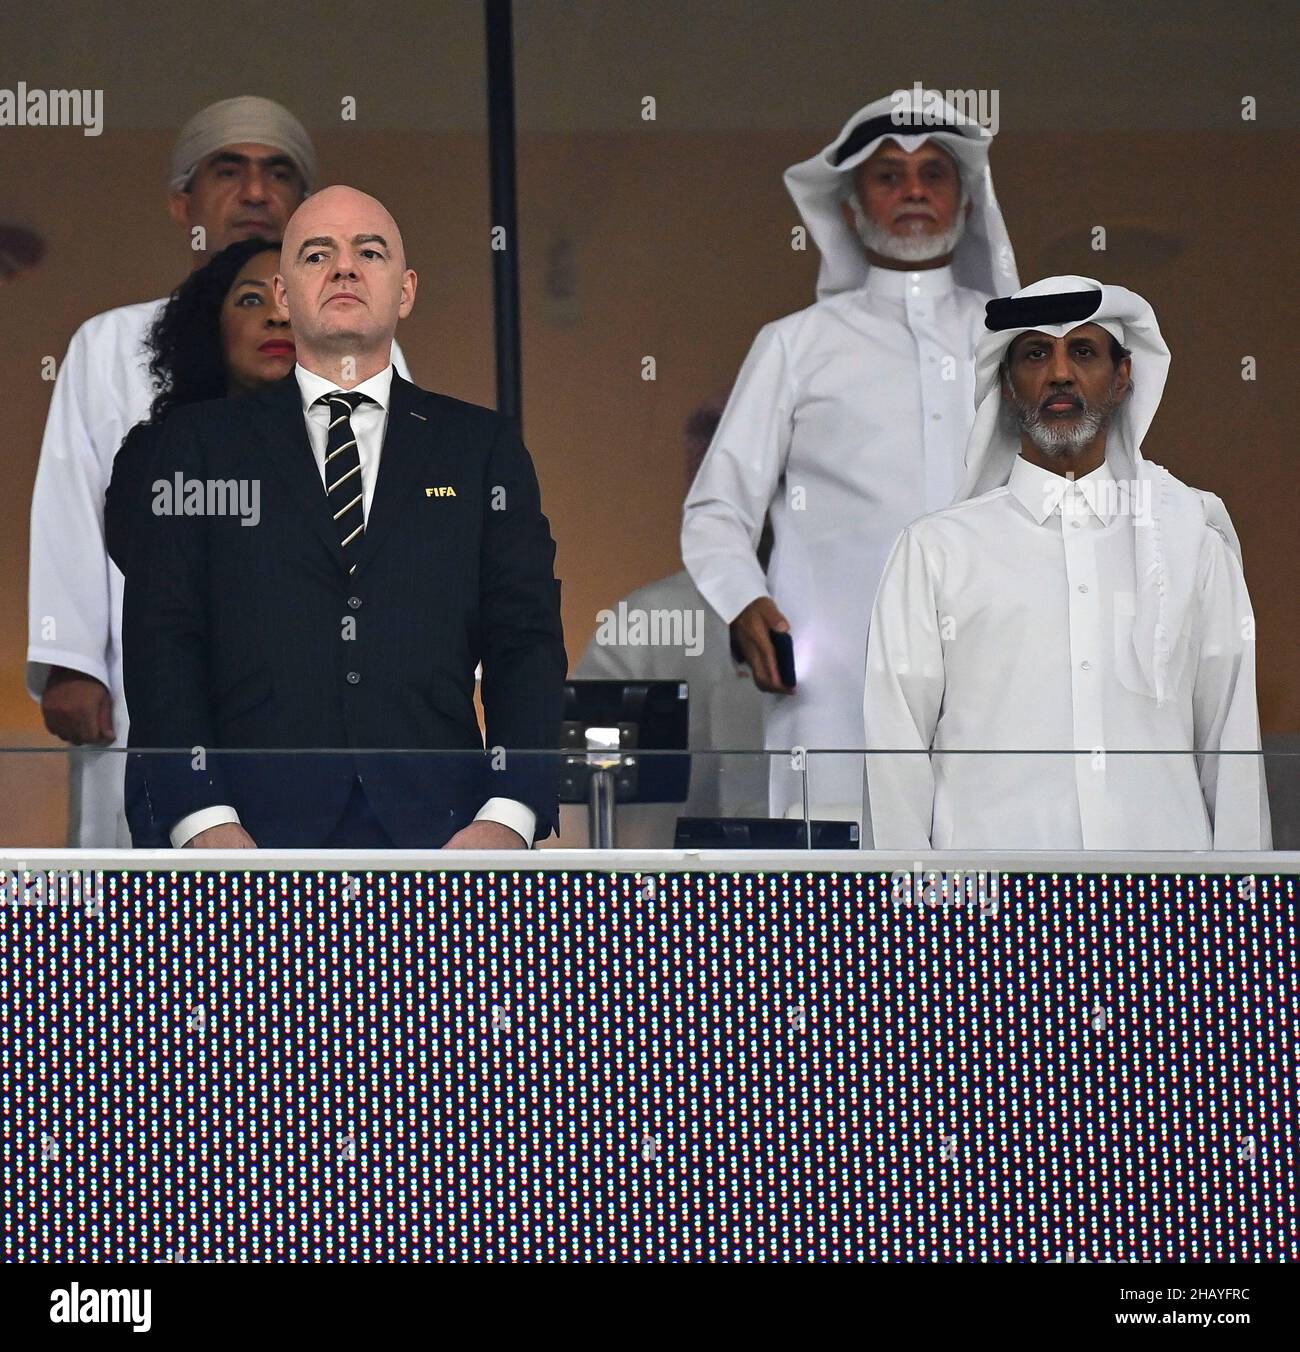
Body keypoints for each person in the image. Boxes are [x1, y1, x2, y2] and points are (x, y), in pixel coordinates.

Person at [123, 186, 566, 849]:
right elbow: (164, 636)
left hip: (447, 840)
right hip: (246, 841)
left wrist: (510, 815)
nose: (345, 268)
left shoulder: (480, 448)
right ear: (282, 294)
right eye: (317, 254)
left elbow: (525, 641)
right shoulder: (198, 445)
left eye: (370, 251)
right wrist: (202, 819)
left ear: (407, 290)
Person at [26, 94, 410, 845]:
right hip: (151, 693)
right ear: (183, 203)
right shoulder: (111, 343)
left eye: (279, 175)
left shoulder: (366, 349)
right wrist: (72, 658)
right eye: (228, 171)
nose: (258, 194)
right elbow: (74, 501)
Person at [681, 88, 1018, 825]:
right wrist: (745, 602)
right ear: (852, 206)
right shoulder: (794, 344)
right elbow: (716, 509)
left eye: (935, 174)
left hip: (1003, 665)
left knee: (999, 881)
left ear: (966, 202)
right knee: (838, 892)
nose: (914, 192)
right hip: (835, 683)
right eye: (888, 176)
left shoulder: (1015, 344)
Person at [863, 275, 1271, 850]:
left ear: (1123, 376)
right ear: (1007, 384)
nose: (1059, 373)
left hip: (1165, 910)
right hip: (986, 911)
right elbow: (895, 750)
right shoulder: (935, 552)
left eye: (1083, 351)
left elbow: (1231, 748)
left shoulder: (1191, 542)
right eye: (1035, 354)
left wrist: (1236, 910)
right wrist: (913, 917)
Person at [576, 397, 767, 844]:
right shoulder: (648, 620)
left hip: (824, 875)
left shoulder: (851, 615)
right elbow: (583, 762)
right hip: (672, 880)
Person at [105, 236, 295, 577]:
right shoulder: (157, 456)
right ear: (213, 326)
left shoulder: (369, 447)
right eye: (251, 299)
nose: (278, 316)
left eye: (295, 300)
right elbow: (162, 588)